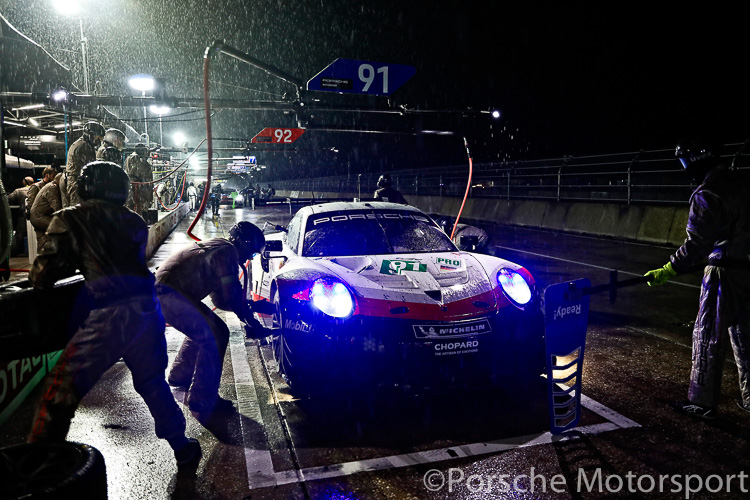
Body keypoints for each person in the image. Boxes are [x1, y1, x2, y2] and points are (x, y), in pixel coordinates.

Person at [27, 161, 201, 466]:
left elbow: (42, 276)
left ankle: (37, 465)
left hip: (109, 314)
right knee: (152, 382)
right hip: (147, 311)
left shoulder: (70, 219)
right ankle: (180, 443)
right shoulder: (133, 221)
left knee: (61, 391)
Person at [645, 137, 750, 419]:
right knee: (746, 338)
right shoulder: (742, 182)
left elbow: (697, 245)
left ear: (696, 159)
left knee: (707, 336)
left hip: (722, 271)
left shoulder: (707, 193)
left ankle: (702, 403)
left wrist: (669, 269)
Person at [155, 221, 270, 414]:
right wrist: (252, 321)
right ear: (242, 243)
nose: (250, 257)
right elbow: (232, 297)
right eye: (252, 253)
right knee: (216, 332)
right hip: (170, 294)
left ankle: (180, 375)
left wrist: (253, 306)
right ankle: (202, 399)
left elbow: (222, 298)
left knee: (204, 327)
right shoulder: (228, 253)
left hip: (165, 291)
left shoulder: (219, 246)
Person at [66, 121, 104, 206]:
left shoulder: (82, 144)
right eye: (98, 138)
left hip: (77, 181)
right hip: (78, 183)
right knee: (80, 211)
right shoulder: (84, 147)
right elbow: (92, 168)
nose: (99, 141)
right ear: (90, 135)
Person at [29, 172, 63, 253]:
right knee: (61, 229)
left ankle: (42, 260)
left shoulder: (49, 186)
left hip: (36, 216)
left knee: (42, 242)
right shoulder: (52, 188)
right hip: (40, 217)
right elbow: (57, 207)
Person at [124, 143, 154, 217]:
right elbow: (140, 172)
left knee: (132, 205)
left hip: (133, 185)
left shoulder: (130, 158)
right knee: (137, 205)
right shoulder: (135, 158)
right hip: (137, 185)